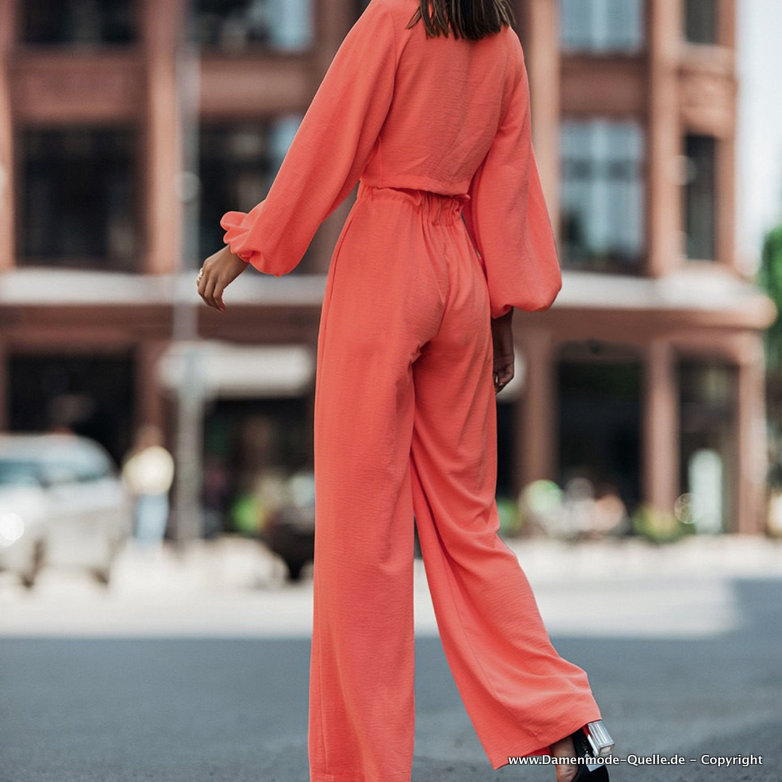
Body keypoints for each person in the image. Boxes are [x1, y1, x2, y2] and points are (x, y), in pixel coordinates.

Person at [196, 1, 614, 780]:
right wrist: (501, 313)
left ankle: (365, 769)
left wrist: (251, 243)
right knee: (469, 527)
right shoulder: (506, 45)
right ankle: (565, 725)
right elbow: (508, 183)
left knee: (365, 542)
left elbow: (331, 133)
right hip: (461, 270)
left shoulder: (396, 15)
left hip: (385, 257)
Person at [120, 424, 175, 550]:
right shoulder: (136, 455)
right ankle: (142, 548)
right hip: (139, 495)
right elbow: (128, 473)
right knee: (141, 522)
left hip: (155, 495)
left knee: (154, 522)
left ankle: (153, 547)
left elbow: (163, 475)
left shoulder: (160, 455)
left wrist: (150, 486)